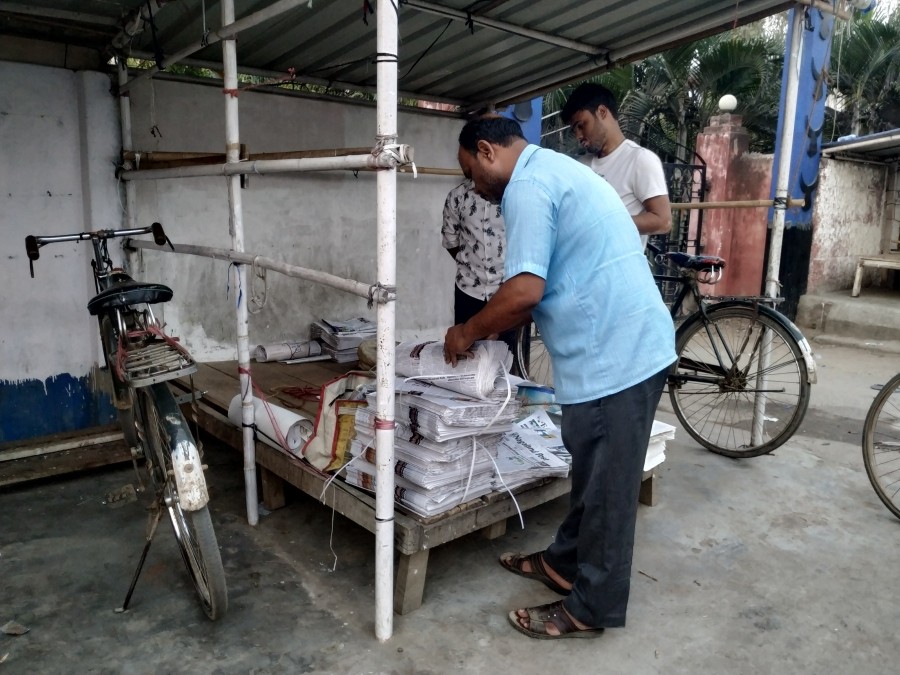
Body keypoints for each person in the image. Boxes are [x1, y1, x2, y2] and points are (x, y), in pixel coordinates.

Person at [443, 116, 676, 639]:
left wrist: (466, 332)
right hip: (608, 352)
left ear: (485, 152)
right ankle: (563, 564)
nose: (474, 188)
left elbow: (525, 291)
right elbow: (539, 289)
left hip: (619, 356)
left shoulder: (526, 185)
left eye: (470, 173)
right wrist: (487, 326)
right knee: (592, 471)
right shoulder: (554, 169)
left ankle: (591, 607)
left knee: (610, 490)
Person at [561, 82, 671, 250]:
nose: (578, 136)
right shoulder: (581, 165)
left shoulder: (639, 160)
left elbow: (663, 221)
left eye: (581, 125)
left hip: (616, 271)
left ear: (602, 112)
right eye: (574, 130)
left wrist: (606, 221)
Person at [441, 178, 517, 356]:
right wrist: (473, 266)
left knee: (504, 360)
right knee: (465, 356)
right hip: (468, 291)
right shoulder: (457, 196)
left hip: (506, 290)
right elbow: (451, 241)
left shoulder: (514, 196)